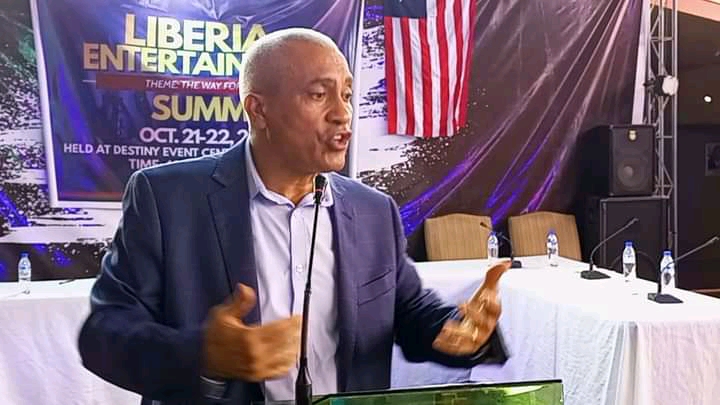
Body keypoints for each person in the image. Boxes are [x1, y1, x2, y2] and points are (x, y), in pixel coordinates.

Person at [78, 28, 509, 405]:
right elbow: (104, 333)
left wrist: (458, 331)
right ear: (258, 110)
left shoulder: (373, 211)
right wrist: (203, 355)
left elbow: (410, 311)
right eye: (319, 94)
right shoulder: (166, 198)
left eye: (346, 94)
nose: (342, 113)